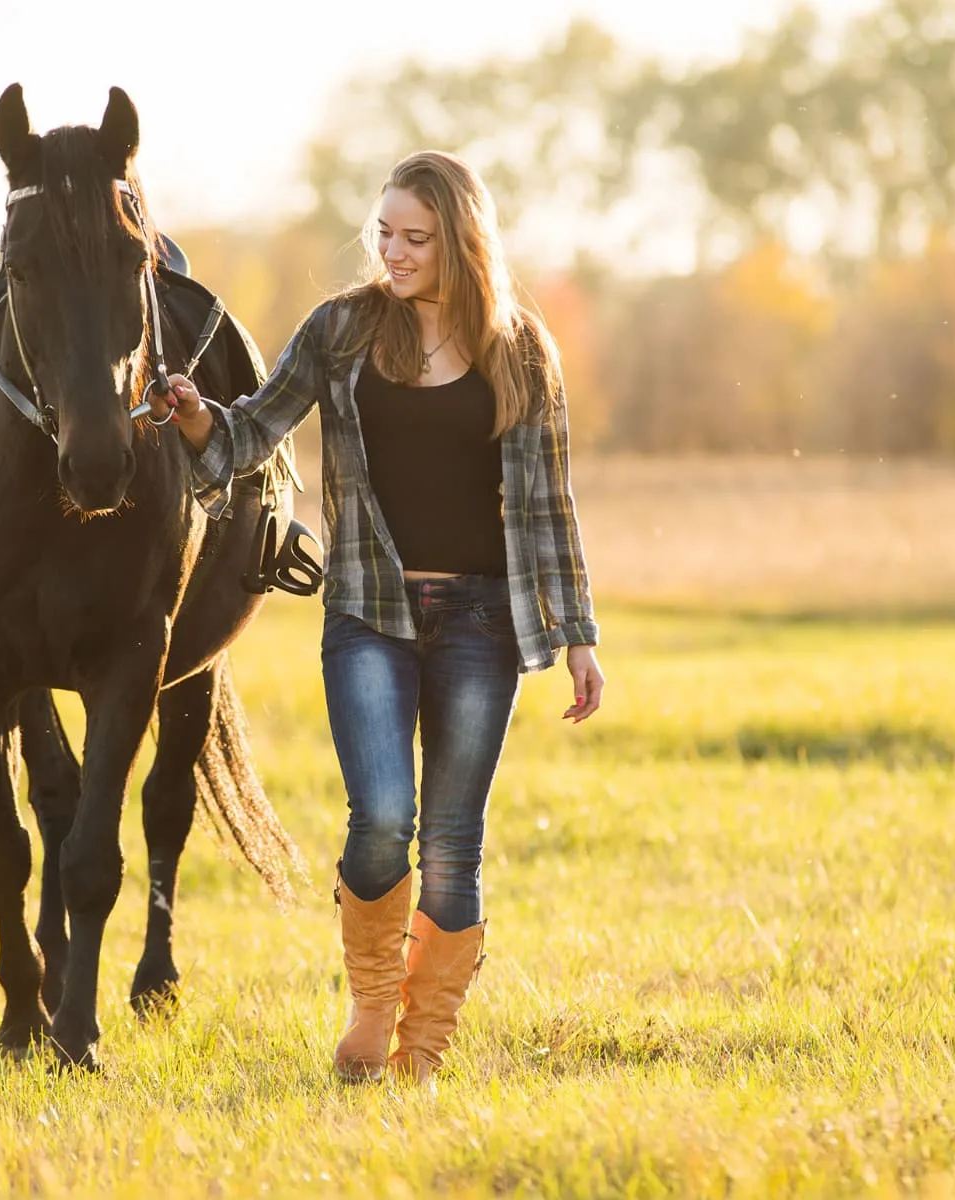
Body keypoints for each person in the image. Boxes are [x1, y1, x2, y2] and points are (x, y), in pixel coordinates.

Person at [152, 150, 604, 1093]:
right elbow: (248, 437)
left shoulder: (520, 347)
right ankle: (369, 1004)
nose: (393, 253)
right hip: (369, 611)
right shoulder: (343, 331)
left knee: (451, 838)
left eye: (415, 238)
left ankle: (422, 1055)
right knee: (382, 817)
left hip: (484, 617)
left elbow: (550, 505)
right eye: (384, 233)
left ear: (461, 240)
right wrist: (197, 420)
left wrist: (580, 636)